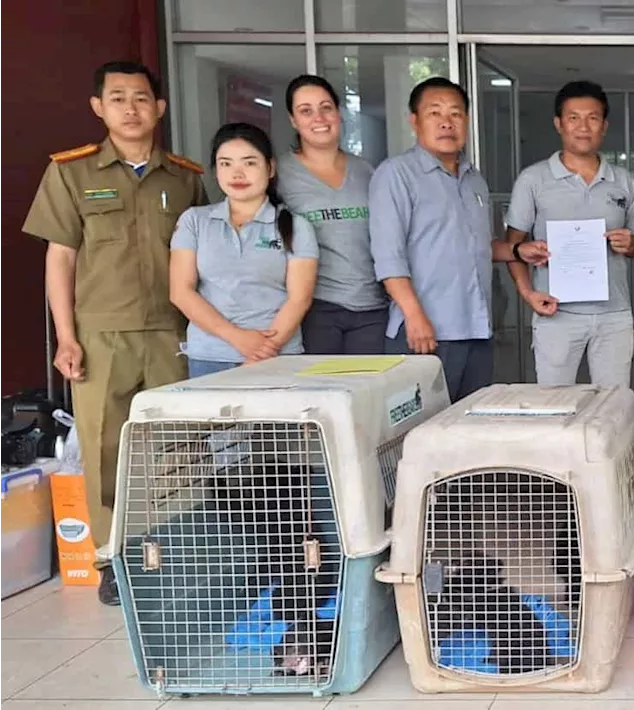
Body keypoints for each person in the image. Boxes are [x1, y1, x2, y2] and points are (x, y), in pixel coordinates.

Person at [22, 60, 207, 606]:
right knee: (106, 447)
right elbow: (60, 258)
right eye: (119, 98)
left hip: (174, 332)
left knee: (180, 448)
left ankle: (180, 549)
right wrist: (66, 336)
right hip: (100, 336)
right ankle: (114, 558)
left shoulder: (187, 177)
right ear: (99, 107)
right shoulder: (71, 173)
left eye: (143, 98)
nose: (132, 108)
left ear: (160, 109)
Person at [369, 77, 548, 401]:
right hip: (425, 332)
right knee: (421, 432)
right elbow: (388, 257)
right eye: (435, 113)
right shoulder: (396, 175)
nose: (446, 122)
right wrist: (414, 315)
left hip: (475, 329)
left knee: (465, 429)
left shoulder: (473, 179)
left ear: (465, 121)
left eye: (455, 113)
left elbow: (480, 245)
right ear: (415, 121)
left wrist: (518, 250)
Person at [504, 80, 634, 387]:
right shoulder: (533, 180)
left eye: (592, 118)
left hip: (614, 314)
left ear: (604, 126)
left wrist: (631, 244)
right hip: (556, 313)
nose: (583, 127)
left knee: (613, 405)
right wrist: (528, 294)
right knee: (554, 403)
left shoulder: (623, 181)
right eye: (573, 118)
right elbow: (512, 247)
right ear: (558, 124)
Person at [169, 122, 320, 377]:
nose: (237, 173)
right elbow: (181, 292)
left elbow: (299, 299)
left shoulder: (295, 225)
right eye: (225, 164)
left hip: (277, 359)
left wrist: (264, 350)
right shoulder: (194, 221)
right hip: (210, 357)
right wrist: (239, 339)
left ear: (270, 168)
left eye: (249, 163)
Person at [277, 74, 387, 355]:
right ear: (293, 120)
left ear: (338, 113)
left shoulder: (367, 171)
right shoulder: (279, 174)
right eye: (306, 110)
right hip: (316, 309)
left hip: (372, 307)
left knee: (369, 394)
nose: (319, 117)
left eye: (326, 107)